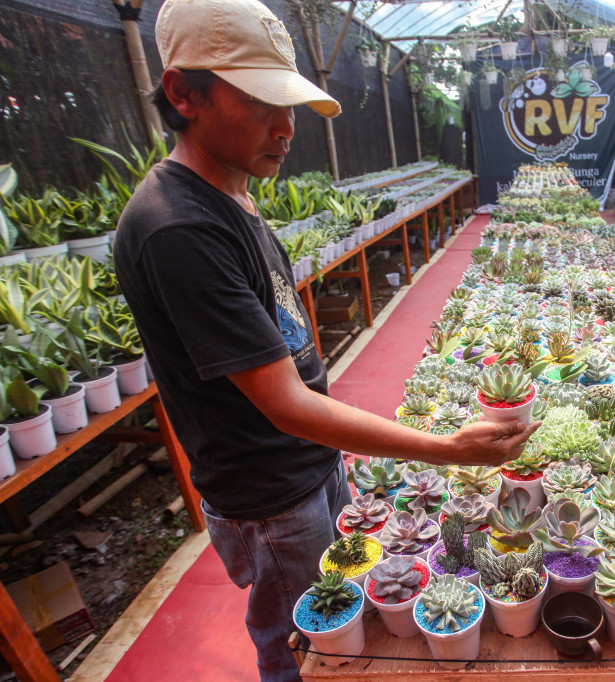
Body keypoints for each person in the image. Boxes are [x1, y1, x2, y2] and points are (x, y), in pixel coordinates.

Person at [113, 1, 539, 680]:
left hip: (305, 469)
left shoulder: (231, 194)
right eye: (261, 103)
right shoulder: (179, 228)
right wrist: (449, 450)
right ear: (183, 93)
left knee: (344, 625)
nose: (287, 127)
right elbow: (284, 403)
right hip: (272, 497)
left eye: (288, 105)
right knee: (306, 651)